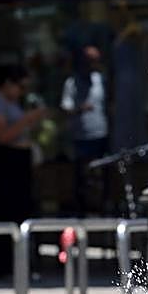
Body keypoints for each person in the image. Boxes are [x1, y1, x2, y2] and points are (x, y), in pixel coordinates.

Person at [0, 64, 47, 278]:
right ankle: (4, 266)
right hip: (3, 164)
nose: (22, 92)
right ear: (7, 83)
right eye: (19, 86)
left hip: (18, 164)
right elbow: (0, 136)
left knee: (21, 214)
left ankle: (20, 265)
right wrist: (26, 120)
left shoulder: (13, 104)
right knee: (4, 214)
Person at [60, 45, 110, 215]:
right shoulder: (71, 83)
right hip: (81, 135)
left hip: (100, 133)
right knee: (81, 174)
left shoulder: (100, 80)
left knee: (101, 173)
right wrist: (80, 108)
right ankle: (81, 208)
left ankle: (101, 205)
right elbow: (65, 108)